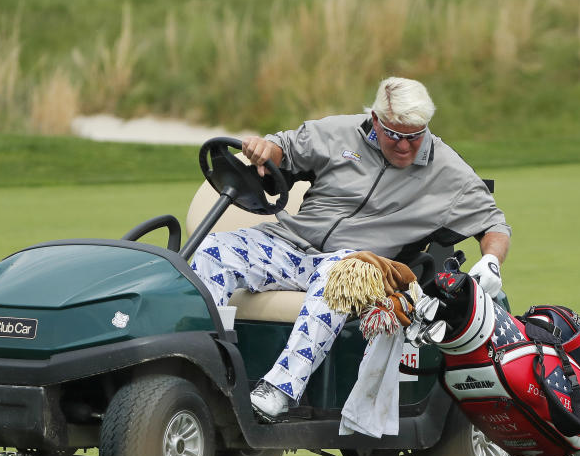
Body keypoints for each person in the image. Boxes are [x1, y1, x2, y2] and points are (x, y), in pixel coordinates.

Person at [190, 77, 511, 421]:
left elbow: (493, 223)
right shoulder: (338, 133)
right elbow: (283, 147)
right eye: (395, 135)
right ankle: (198, 371)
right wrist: (264, 149)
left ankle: (278, 390)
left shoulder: (447, 169)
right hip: (293, 246)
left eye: (415, 136)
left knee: (342, 273)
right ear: (375, 119)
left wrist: (491, 260)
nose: (405, 146)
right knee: (215, 251)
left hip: (357, 263)